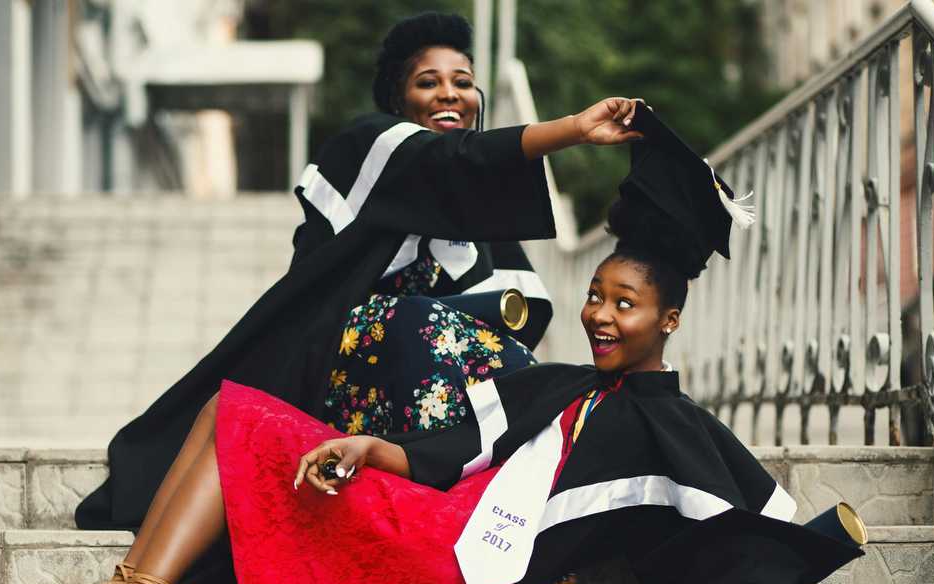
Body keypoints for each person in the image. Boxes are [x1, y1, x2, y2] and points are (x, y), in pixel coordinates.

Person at [6, 102, 865, 584]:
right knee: (234, 409)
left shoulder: (667, 424)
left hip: (448, 565)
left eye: (625, 303)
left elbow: (740, 519)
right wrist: (372, 449)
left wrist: (819, 547)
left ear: (669, 318)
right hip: (425, 513)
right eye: (596, 295)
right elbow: (459, 445)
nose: (600, 314)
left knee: (238, 419)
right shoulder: (564, 383)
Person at [72, 11, 642, 534]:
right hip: (331, 375)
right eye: (429, 81)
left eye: (464, 81)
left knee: (551, 387)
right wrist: (572, 129)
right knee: (416, 320)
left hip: (422, 403)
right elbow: (446, 162)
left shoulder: (477, 211)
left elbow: (525, 311)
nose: (450, 93)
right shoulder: (370, 147)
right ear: (399, 99)